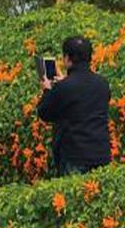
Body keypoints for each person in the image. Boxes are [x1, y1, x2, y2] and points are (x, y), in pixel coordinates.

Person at [36, 36, 112, 176]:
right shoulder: (102, 83)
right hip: (102, 154)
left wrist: (47, 89)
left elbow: (44, 112)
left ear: (67, 58)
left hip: (74, 157)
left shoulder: (64, 87)